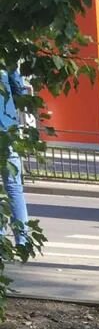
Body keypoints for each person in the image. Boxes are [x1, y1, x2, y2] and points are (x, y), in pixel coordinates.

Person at [0, 66, 29, 247]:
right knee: (14, 188)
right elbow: (19, 89)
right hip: (7, 129)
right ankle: (23, 242)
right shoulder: (5, 59)